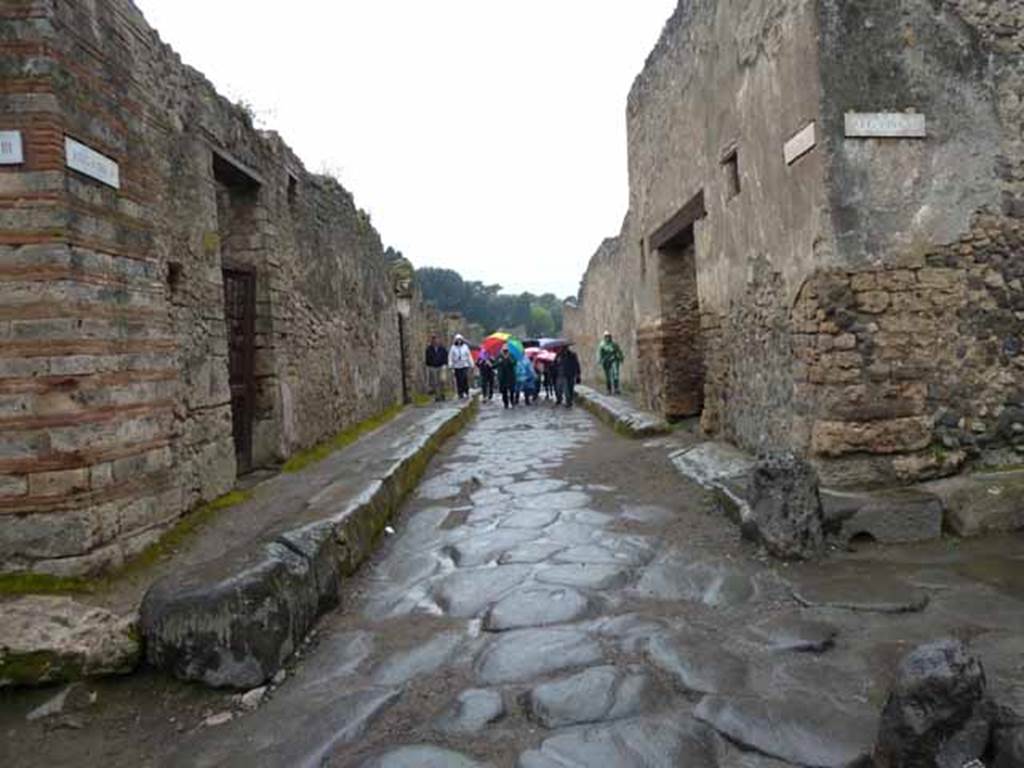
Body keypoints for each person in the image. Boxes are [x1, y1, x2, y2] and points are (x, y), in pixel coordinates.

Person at [598, 331, 624, 395]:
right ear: (604, 337)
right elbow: (599, 353)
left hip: (614, 360)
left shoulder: (614, 344)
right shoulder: (602, 345)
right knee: (608, 376)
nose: (607, 338)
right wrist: (599, 360)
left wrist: (621, 358)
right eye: (606, 336)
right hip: (606, 361)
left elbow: (619, 351)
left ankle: (616, 388)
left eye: (608, 336)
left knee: (615, 374)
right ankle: (608, 389)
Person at [448, 334, 473, 399]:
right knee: (459, 379)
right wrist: (450, 364)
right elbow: (450, 356)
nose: (459, 341)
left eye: (460, 340)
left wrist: (471, 364)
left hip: (464, 364)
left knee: (464, 378)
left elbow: (469, 355)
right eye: (457, 340)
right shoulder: (453, 347)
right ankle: (460, 392)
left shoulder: (465, 347)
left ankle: (466, 391)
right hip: (457, 365)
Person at [424, 334, 448, 402]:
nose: (435, 341)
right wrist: (429, 364)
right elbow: (427, 358)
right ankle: (437, 396)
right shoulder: (429, 349)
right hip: (433, 367)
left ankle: (442, 393)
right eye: (434, 339)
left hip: (441, 366)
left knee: (442, 380)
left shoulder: (442, 348)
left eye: (436, 339)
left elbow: (445, 356)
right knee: (435, 382)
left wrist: (445, 364)